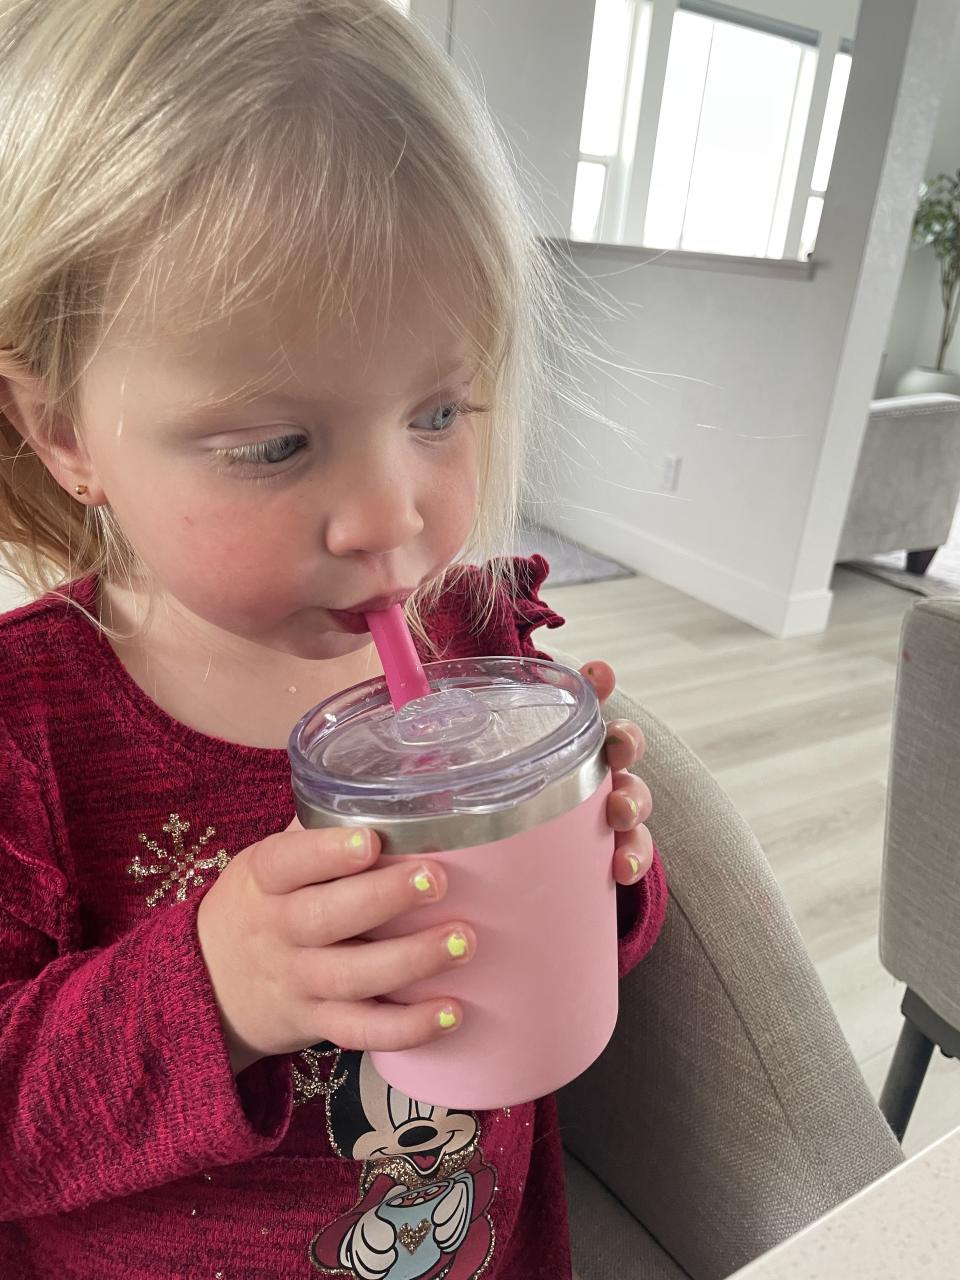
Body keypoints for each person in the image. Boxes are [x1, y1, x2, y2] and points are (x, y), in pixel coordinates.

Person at [0, 1, 668, 1275]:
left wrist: (607, 876)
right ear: (65, 431)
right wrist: (215, 988)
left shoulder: (477, 637)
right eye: (275, 444)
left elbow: (561, 979)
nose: (389, 517)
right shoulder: (26, 723)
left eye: (438, 409)